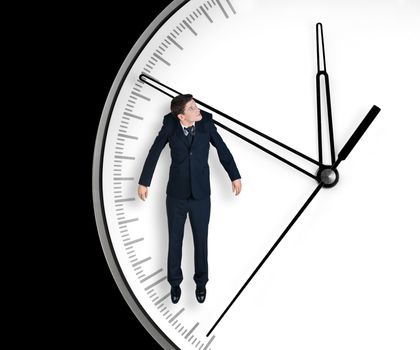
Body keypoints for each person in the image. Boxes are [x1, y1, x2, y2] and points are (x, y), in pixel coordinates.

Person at [138, 94, 242, 304]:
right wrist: (144, 181)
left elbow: (222, 149)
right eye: (192, 108)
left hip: (201, 195)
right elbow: (155, 151)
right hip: (176, 195)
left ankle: (201, 283)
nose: (198, 110)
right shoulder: (170, 125)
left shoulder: (206, 124)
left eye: (196, 106)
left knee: (200, 240)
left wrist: (234, 175)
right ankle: (175, 283)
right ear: (181, 116)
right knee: (174, 240)